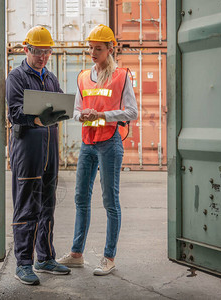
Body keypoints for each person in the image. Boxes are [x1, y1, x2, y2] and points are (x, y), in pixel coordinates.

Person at [57, 24, 138, 276]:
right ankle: (76, 254)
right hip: (87, 143)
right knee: (81, 198)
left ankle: (109, 258)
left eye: (98, 49)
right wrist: (81, 116)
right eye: (90, 48)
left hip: (110, 142)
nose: (93, 52)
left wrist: (103, 114)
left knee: (110, 201)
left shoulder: (121, 76)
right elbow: (78, 109)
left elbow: (132, 112)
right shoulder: (82, 77)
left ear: (110, 49)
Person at [6, 26, 71, 285]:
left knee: (47, 204)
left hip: (49, 149)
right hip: (27, 148)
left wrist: (59, 114)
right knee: (27, 205)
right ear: (26, 49)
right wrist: (36, 118)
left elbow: (58, 108)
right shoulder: (17, 77)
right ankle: (23, 263)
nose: (42, 57)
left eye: (47, 52)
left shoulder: (51, 78)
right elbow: (14, 113)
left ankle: (44, 257)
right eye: (37, 52)